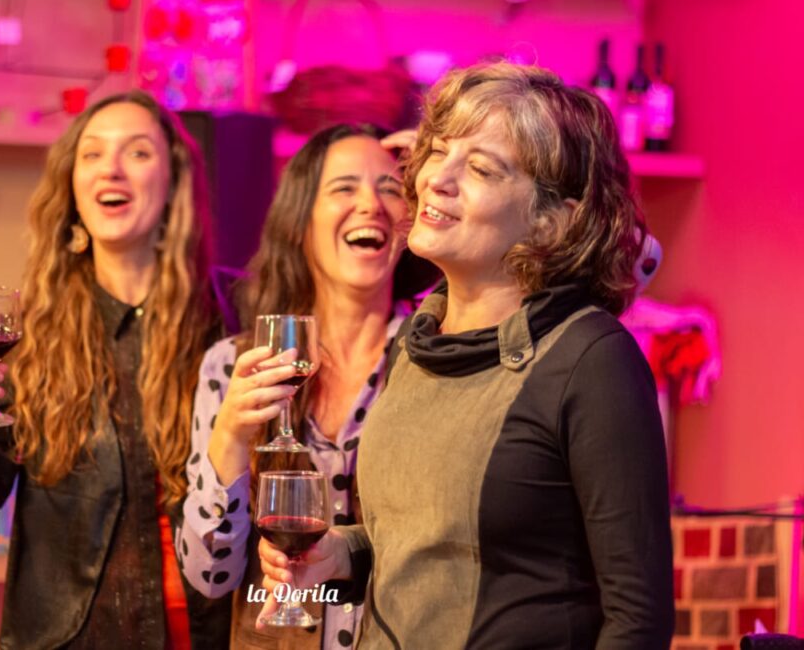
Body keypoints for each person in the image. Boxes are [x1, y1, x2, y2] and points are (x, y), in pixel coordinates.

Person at [258, 62, 675, 647]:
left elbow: (638, 620)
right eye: (439, 152)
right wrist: (340, 554)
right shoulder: (417, 340)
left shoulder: (591, 359)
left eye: (480, 168)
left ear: (551, 222)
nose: (437, 179)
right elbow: (416, 542)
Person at [0, 90, 231, 648]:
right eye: (93, 153)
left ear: (174, 180)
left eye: (137, 152)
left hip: (210, 634)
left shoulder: (230, 318)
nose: (111, 169)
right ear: (73, 184)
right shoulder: (28, 335)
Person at [175, 124, 439, 648]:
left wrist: (440, 169)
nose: (370, 204)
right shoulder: (234, 363)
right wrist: (229, 437)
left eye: (390, 188)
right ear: (300, 222)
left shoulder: (440, 355)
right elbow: (210, 576)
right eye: (344, 187)